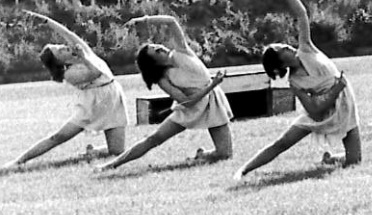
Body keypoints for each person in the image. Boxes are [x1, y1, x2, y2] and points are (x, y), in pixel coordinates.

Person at [233, 0, 360, 179]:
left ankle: (330, 158)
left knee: (355, 162)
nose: (287, 46)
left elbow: (301, 14)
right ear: (281, 63)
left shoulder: (306, 48)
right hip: (324, 108)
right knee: (283, 142)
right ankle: (244, 170)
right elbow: (314, 110)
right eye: (282, 49)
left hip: (345, 101)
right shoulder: (295, 82)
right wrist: (335, 90)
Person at [98, 14, 233, 170]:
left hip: (212, 103)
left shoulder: (182, 51)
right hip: (190, 108)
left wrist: (143, 20)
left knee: (225, 154)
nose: (159, 47)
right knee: (153, 139)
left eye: (156, 45)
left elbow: (171, 21)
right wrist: (212, 85)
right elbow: (187, 102)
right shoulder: (163, 79)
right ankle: (111, 164)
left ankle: (202, 155)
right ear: (154, 62)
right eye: (155, 51)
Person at [0, 12, 127, 169]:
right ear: (59, 62)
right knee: (58, 137)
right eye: (59, 51)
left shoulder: (83, 52)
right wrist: (84, 58)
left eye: (60, 46)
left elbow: (68, 33)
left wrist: (47, 21)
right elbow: (95, 73)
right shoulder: (70, 73)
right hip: (93, 105)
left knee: (117, 151)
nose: (63, 47)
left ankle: (93, 151)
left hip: (112, 96)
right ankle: (19, 161)